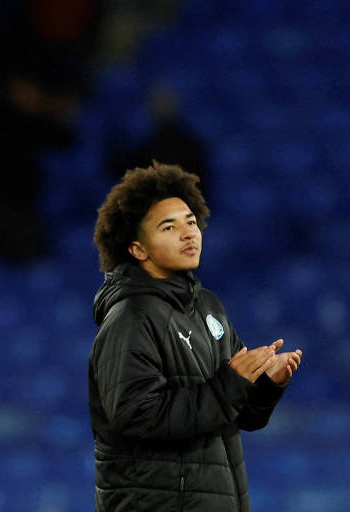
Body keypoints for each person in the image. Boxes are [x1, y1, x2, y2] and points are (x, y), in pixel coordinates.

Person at [88, 162, 302, 511]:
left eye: (190, 222)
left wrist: (264, 385)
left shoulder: (208, 307)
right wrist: (230, 384)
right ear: (138, 249)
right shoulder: (131, 317)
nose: (189, 233)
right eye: (168, 227)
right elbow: (136, 417)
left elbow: (239, 415)